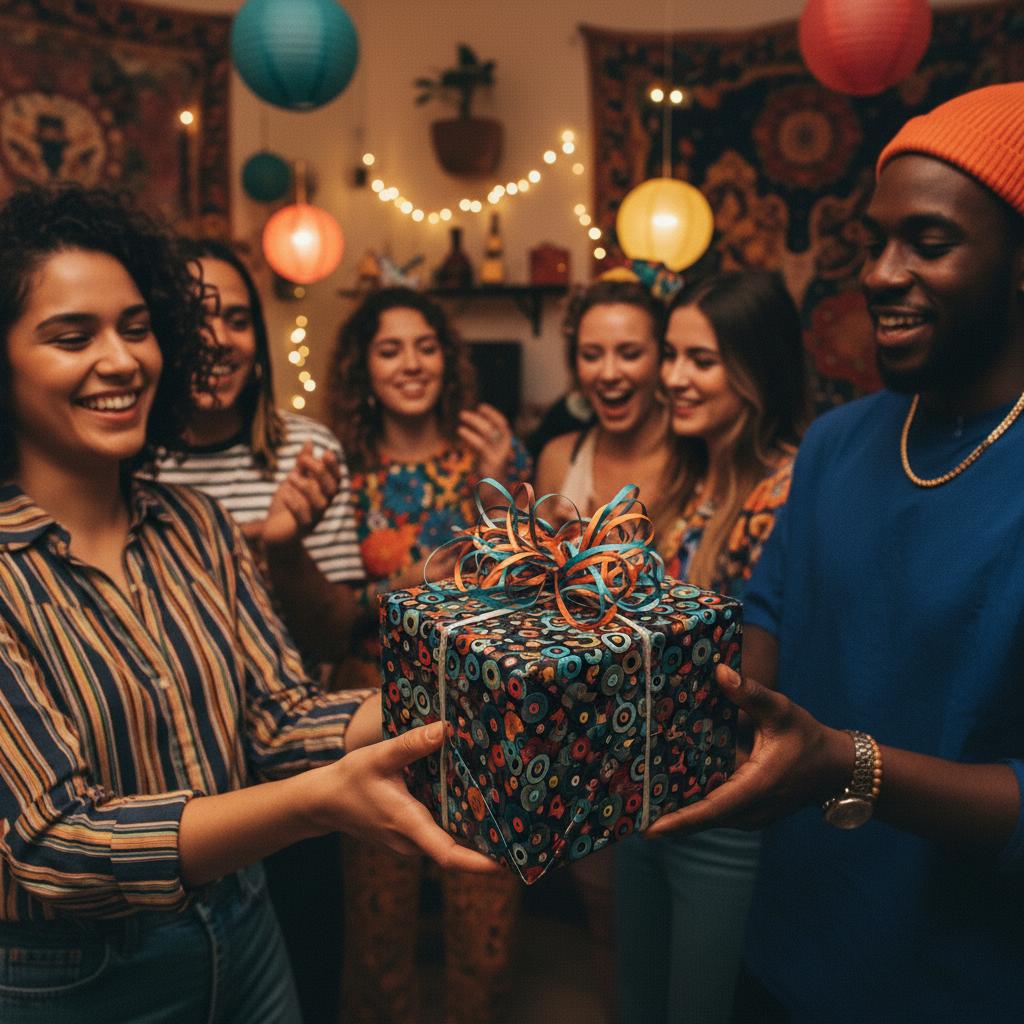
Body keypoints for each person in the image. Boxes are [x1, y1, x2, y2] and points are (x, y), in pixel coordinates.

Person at [0, 185, 493, 1024]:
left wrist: (455, 697)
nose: (121, 360)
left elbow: (276, 717)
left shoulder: (199, 525)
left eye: (137, 326)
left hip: (246, 929)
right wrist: (317, 801)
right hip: (81, 977)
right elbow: (57, 844)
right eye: (71, 336)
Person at [645, 83, 1024, 1024]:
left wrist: (848, 765)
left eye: (928, 245)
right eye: (874, 243)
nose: (882, 274)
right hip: (787, 943)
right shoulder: (839, 441)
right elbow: (769, 627)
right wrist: (621, 660)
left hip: (957, 980)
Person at [153, 239, 361, 1024]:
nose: (219, 339)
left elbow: (334, 634)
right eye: (199, 318)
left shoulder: (308, 452)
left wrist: (284, 548)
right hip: (172, 790)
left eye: (239, 319)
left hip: (293, 768)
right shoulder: (126, 458)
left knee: (302, 979)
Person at [327, 286, 530, 1024]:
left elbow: (536, 593)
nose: (411, 363)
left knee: (488, 916)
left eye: (426, 345)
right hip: (373, 704)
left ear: (447, 358)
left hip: (484, 708)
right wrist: (419, 585)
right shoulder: (340, 472)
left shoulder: (490, 461)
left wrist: (504, 481)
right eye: (390, 349)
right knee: (379, 916)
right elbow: (324, 611)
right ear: (363, 367)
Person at [614, 269, 807, 1024]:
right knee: (639, 1004)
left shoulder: (786, 491)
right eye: (671, 356)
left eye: (702, 360)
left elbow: (755, 680)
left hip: (724, 803)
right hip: (641, 789)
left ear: (757, 369)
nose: (674, 379)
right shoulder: (682, 483)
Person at [532, 276, 676, 1024]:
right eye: (593, 354)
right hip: (584, 730)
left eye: (630, 351)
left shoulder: (696, 452)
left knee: (684, 918)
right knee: (606, 916)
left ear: (662, 359)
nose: (610, 371)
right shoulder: (560, 455)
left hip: (674, 723)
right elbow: (536, 593)